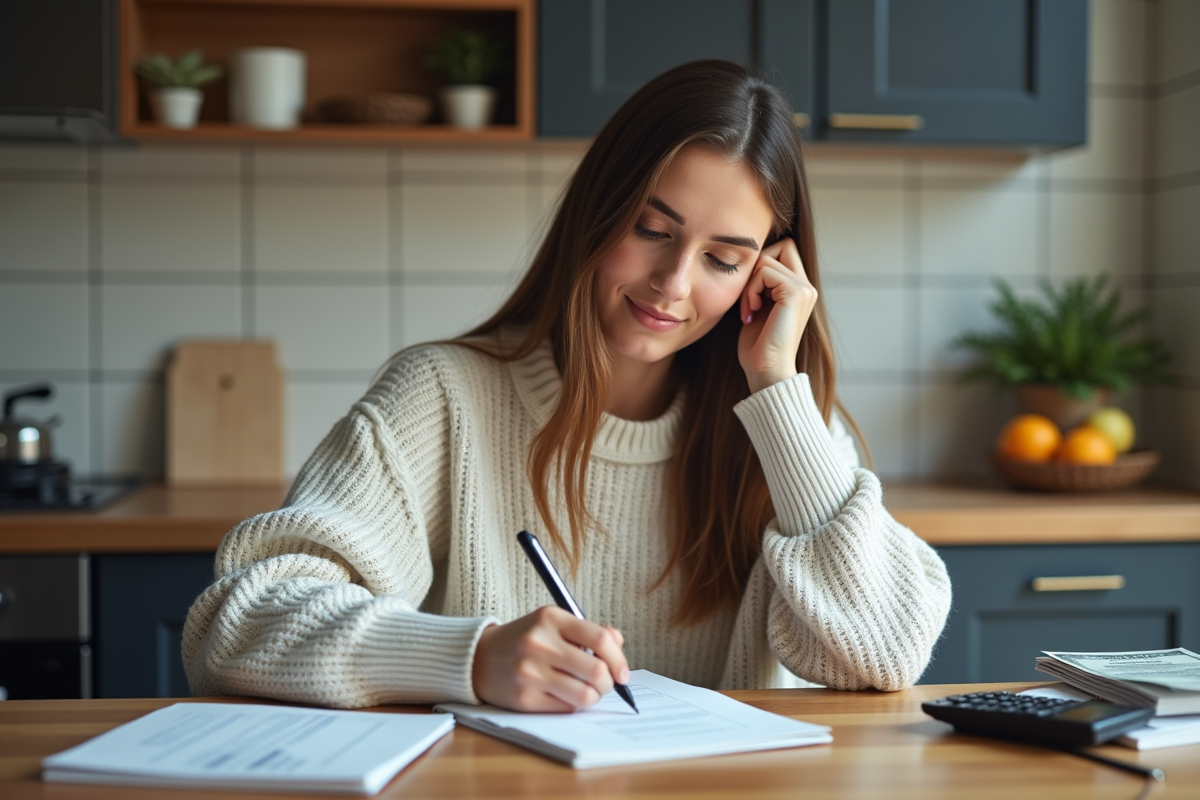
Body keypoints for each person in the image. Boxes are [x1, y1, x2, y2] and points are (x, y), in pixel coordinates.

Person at [183, 60, 952, 712]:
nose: (672, 284)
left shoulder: (790, 432)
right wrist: (472, 657)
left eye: (723, 260)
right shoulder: (442, 398)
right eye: (652, 231)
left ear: (766, 276)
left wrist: (777, 386)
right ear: (598, 210)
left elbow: (883, 656)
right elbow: (237, 625)